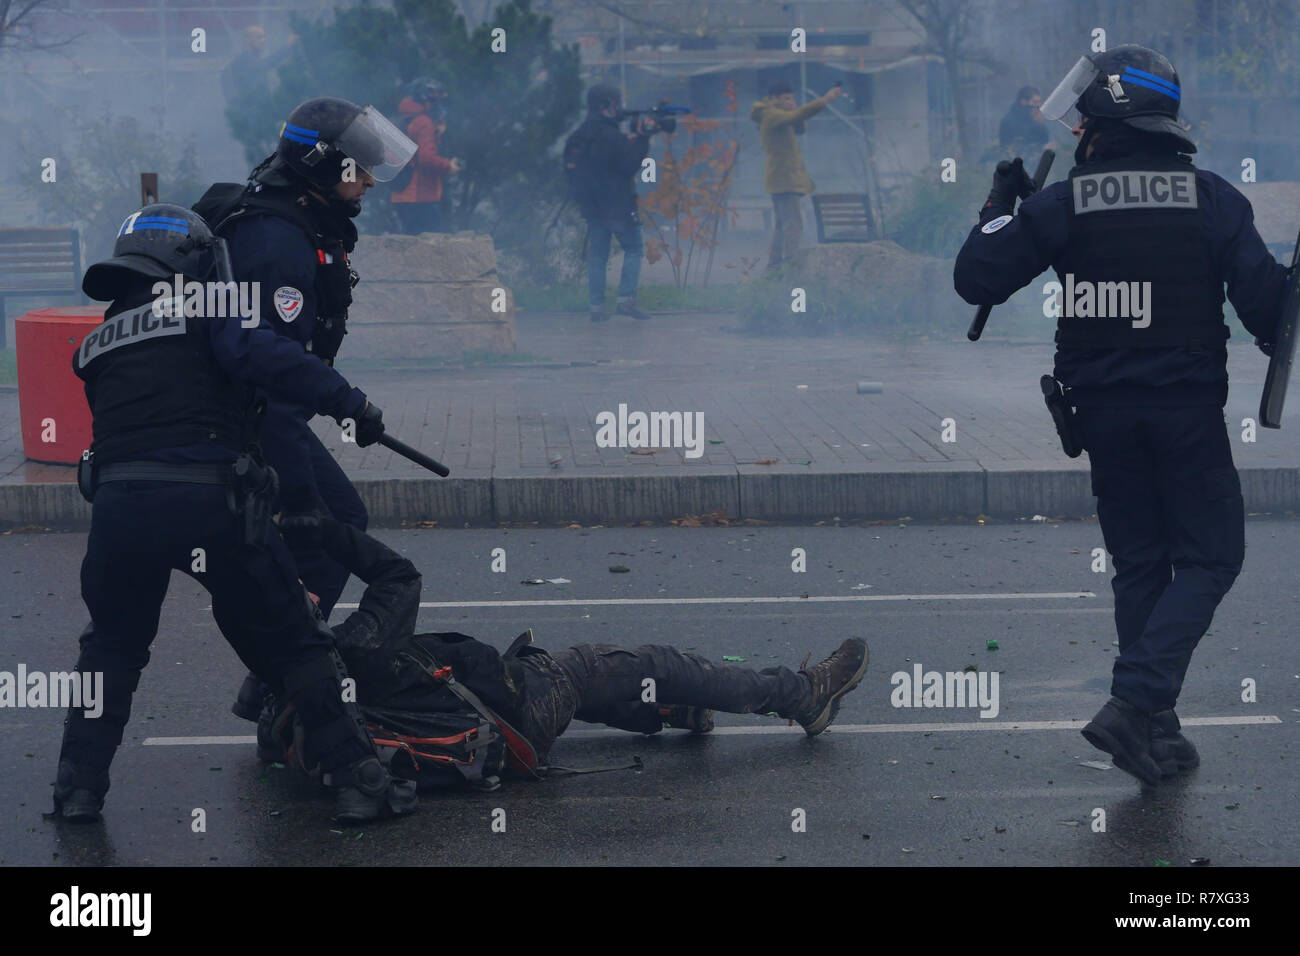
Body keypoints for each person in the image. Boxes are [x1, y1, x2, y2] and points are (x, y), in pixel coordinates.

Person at [953, 45, 1289, 786]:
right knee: (1211, 557)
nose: (1076, 133)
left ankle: (1154, 731)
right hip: (1186, 413)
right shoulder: (1212, 199)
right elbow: (1268, 310)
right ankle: (1136, 703)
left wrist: (997, 207)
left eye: (1084, 119)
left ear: (1110, 115)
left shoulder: (1062, 204)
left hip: (1101, 416)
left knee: (1141, 564)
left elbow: (976, 275)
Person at [49, 204, 415, 824]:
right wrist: (350, 402)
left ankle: (77, 788)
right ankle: (362, 780)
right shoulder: (207, 312)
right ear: (191, 263)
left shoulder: (98, 342)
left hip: (119, 511)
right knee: (297, 640)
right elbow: (270, 360)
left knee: (110, 647)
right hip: (210, 504)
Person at [257, 518, 870, 779]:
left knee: (588, 680)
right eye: (304, 594)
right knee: (644, 663)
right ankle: (803, 695)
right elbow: (399, 578)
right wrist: (325, 530)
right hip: (513, 711)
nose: (313, 591)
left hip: (485, 728)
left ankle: (669, 710)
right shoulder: (354, 648)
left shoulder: (294, 685)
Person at [194, 96, 415, 725]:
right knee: (326, 530)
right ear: (322, 166)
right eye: (359, 171)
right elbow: (255, 348)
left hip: (269, 409)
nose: (368, 182)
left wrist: (331, 399)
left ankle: (271, 676)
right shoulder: (275, 238)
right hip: (254, 414)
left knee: (330, 525)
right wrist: (343, 400)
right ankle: (285, 674)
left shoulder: (293, 212)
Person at [568, 83, 657, 323]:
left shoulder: (580, 135)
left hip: (593, 207)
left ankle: (596, 307)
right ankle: (626, 300)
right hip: (618, 207)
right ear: (607, 105)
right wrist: (642, 140)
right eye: (618, 102)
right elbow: (627, 167)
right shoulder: (611, 136)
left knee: (598, 255)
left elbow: (572, 170)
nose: (621, 107)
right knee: (635, 248)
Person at [750, 81, 844, 272]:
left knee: (782, 226)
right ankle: (789, 266)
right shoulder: (771, 114)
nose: (790, 101)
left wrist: (796, 111)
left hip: (784, 178)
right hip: (784, 179)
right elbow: (797, 116)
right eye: (786, 98)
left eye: (791, 98)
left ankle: (775, 266)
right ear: (774, 99)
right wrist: (825, 100)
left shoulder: (778, 115)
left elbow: (799, 128)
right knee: (793, 225)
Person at [391, 78, 463, 234]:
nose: (438, 106)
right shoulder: (424, 122)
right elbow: (425, 158)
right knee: (432, 246)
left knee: (412, 244)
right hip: (420, 197)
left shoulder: (404, 120)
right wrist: (448, 165)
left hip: (402, 195)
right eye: (435, 101)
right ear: (425, 101)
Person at [220, 25, 298, 106]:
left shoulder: (252, 60)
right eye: (259, 37)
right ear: (247, 40)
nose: (263, 41)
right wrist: (287, 46)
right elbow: (265, 64)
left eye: (264, 37)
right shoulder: (242, 61)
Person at [997, 85, 1048, 158]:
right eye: (1035, 102)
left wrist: (1040, 124)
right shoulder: (1010, 121)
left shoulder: (1033, 119)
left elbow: (1043, 139)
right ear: (1023, 102)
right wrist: (1042, 148)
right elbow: (1015, 147)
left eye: (1039, 102)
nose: (1038, 105)